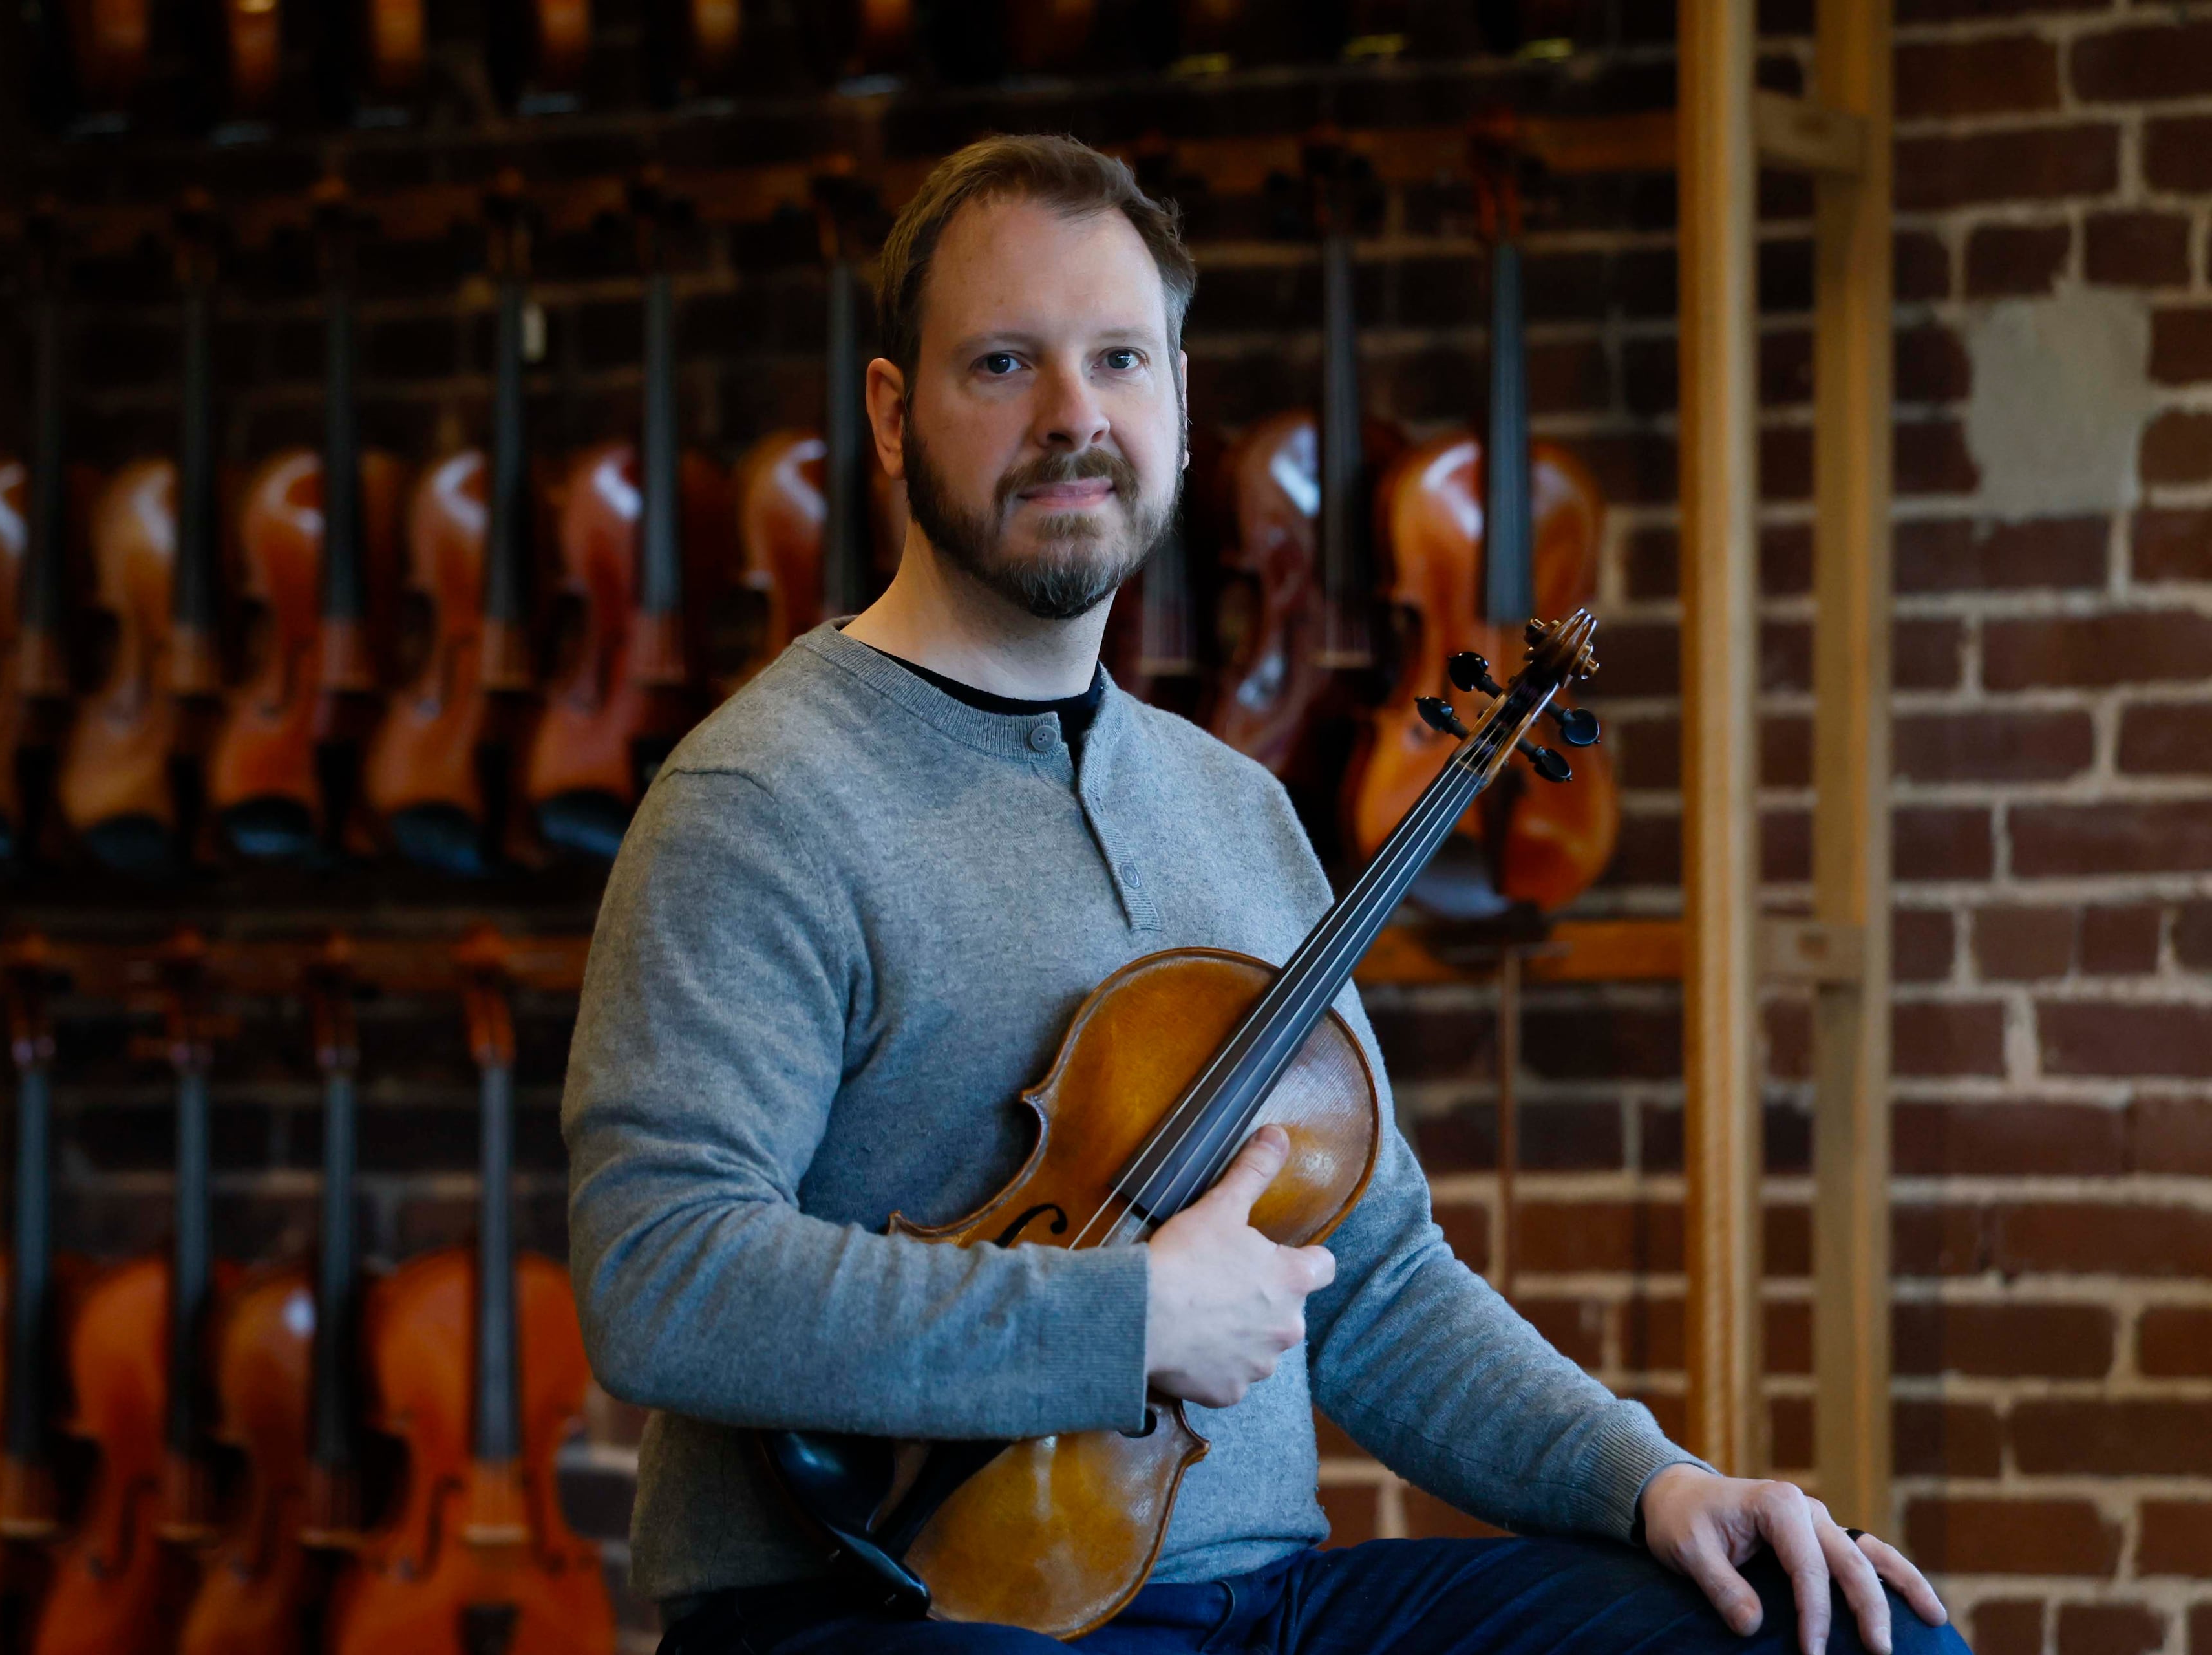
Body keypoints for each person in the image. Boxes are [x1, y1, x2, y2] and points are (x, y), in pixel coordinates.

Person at [561, 133, 1962, 1655]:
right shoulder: (764, 797)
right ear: (895, 417)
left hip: (1268, 1601)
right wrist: (1126, 1324)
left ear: (1177, 397)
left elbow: (1376, 1280)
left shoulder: (1233, 806)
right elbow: (663, 1273)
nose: (1073, 417)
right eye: (1004, 364)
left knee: (1844, 1637)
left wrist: (1652, 1479)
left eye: (1118, 360)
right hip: (882, 1607)